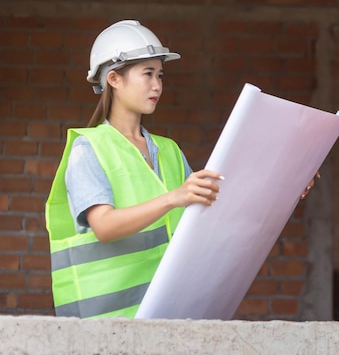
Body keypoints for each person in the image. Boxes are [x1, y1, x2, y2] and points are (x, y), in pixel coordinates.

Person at [45, 20, 320, 319]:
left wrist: (287, 186)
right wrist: (173, 198)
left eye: (160, 75)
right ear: (114, 79)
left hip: (166, 319)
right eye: (147, 74)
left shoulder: (169, 150)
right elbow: (104, 226)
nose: (157, 85)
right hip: (107, 327)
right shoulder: (88, 148)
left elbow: (215, 210)